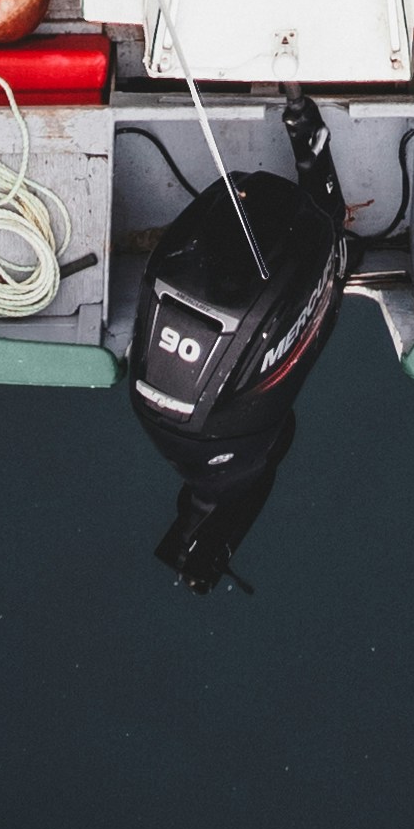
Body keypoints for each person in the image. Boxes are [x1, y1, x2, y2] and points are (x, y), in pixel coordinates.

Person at [127, 89, 350, 594]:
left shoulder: (241, 454)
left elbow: (275, 448)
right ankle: (198, 545)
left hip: (218, 447)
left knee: (248, 468)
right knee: (236, 476)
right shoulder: (213, 452)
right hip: (179, 432)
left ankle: (310, 152)